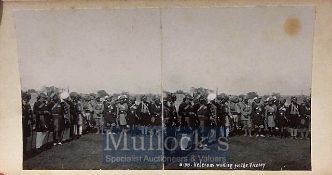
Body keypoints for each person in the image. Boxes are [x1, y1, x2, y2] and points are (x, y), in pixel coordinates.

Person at [22, 91, 34, 156]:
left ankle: (24, 151)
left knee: (26, 137)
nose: (27, 100)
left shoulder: (28, 105)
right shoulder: (20, 105)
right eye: (26, 99)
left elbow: (30, 114)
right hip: (21, 123)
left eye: (28, 99)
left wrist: (32, 120)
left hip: (26, 123)